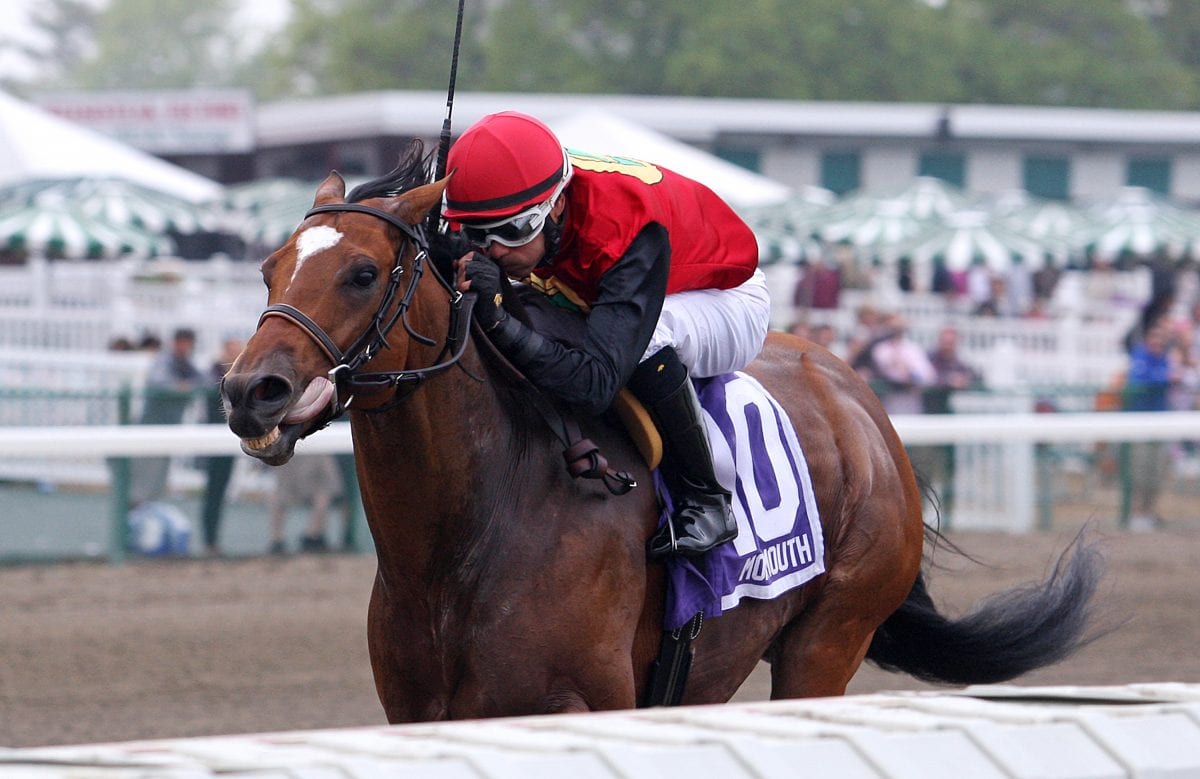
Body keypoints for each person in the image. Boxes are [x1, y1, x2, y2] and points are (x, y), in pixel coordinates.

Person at [443, 111, 770, 558]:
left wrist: (501, 322)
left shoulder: (624, 227)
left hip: (723, 298)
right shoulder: (503, 203)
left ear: (557, 203)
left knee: (650, 334)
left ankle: (706, 499)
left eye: (513, 232)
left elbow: (594, 385)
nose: (495, 249)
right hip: (592, 289)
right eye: (480, 234)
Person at [130, 327, 203, 506]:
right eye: (181, 343)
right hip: (151, 425)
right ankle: (136, 503)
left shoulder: (186, 364)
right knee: (146, 467)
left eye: (188, 344)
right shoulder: (163, 360)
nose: (184, 347)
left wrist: (187, 386)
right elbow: (158, 382)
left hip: (170, 426)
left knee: (160, 468)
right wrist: (180, 387)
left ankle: (149, 503)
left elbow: (204, 380)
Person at [1121, 321, 1175, 530]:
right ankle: (1137, 514)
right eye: (1154, 337)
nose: (1157, 342)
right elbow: (1140, 380)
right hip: (1140, 424)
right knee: (1140, 471)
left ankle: (1149, 513)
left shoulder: (1163, 359)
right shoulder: (1140, 356)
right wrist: (1164, 379)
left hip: (1159, 423)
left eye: (1161, 338)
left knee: (1156, 472)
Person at [198, 337, 244, 557]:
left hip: (228, 441)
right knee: (213, 493)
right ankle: (209, 541)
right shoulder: (214, 373)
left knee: (218, 491)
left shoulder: (240, 372)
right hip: (214, 442)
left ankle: (212, 541)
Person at [267, 454, 344, 555]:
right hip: (289, 450)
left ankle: (314, 535)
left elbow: (329, 486)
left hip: (317, 452)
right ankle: (277, 540)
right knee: (278, 496)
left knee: (323, 494)